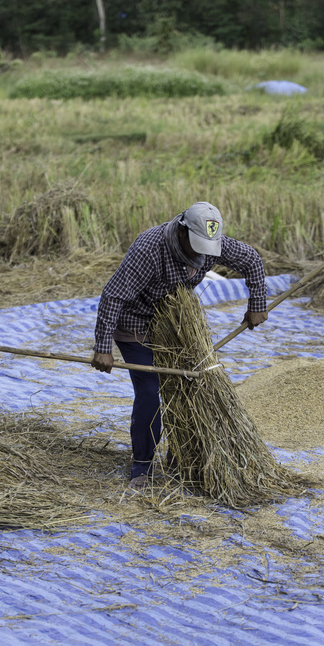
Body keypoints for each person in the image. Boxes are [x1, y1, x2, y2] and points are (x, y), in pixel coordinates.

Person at [92, 201, 268, 488]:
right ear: (183, 231)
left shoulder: (212, 241)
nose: (202, 253)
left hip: (175, 324)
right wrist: (102, 348)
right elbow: (113, 297)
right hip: (135, 323)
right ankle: (142, 466)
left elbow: (251, 260)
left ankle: (182, 457)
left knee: (188, 387)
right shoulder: (149, 249)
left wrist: (258, 303)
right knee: (150, 391)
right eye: (196, 245)